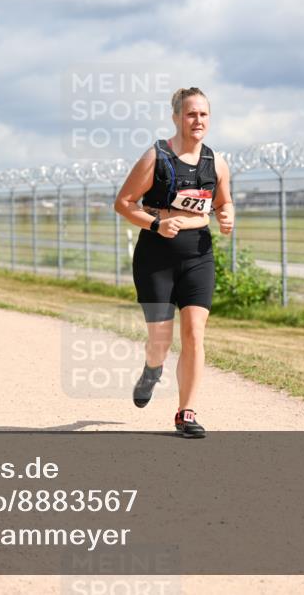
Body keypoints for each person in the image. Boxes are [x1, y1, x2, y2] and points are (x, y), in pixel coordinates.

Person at [114, 87, 234, 438]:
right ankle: (153, 370)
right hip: (156, 257)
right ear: (177, 117)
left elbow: (223, 203)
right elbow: (123, 202)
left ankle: (186, 412)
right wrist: (156, 224)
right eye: (191, 114)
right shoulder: (156, 156)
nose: (197, 120)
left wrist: (227, 217)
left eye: (203, 114)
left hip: (198, 255)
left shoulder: (217, 162)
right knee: (161, 342)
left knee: (195, 334)